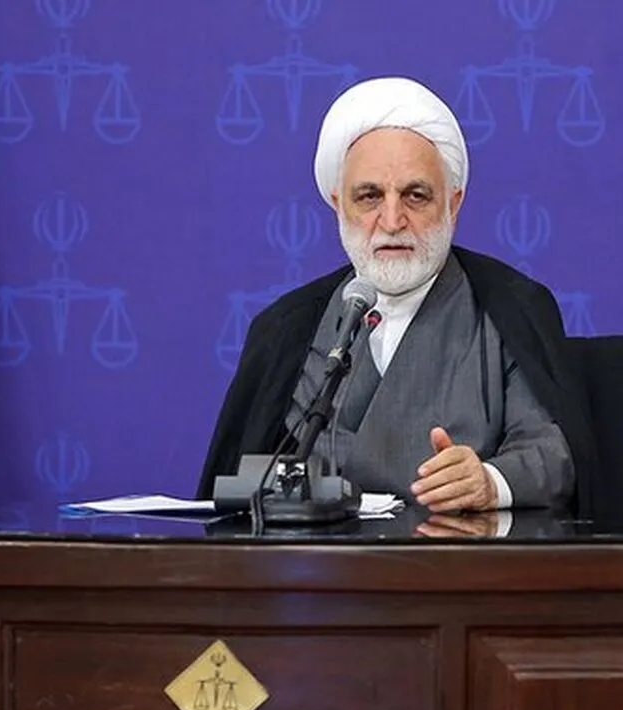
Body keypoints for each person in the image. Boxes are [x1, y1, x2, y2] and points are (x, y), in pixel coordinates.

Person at [196, 76, 598, 515]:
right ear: (338, 205)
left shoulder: (510, 307)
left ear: (454, 204)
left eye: (415, 195)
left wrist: (489, 481)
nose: (392, 220)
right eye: (369, 196)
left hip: (455, 549)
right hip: (321, 554)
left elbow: (548, 451)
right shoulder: (288, 325)